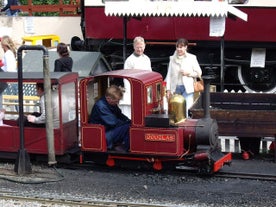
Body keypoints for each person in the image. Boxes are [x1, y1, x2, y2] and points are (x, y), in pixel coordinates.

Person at [165, 38, 202, 118]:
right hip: (176, 88)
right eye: (177, 47)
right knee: (176, 110)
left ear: (185, 47)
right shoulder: (172, 59)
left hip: (187, 88)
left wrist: (188, 73)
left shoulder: (192, 58)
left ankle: (185, 127)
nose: (179, 49)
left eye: (181, 47)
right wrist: (168, 90)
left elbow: (199, 73)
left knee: (186, 109)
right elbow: (169, 75)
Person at [89, 85, 131, 152]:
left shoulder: (111, 104)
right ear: (108, 98)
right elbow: (113, 122)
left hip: (108, 130)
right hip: (101, 135)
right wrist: (128, 123)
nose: (118, 103)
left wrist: (129, 120)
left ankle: (124, 145)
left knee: (129, 124)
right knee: (128, 127)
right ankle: (124, 147)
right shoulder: (101, 106)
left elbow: (120, 115)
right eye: (116, 101)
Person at [121, 36, 152, 118]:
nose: (139, 49)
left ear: (144, 46)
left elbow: (150, 74)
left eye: (141, 47)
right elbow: (125, 77)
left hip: (145, 88)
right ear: (134, 47)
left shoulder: (147, 59)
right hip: (134, 88)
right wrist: (129, 91)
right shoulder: (129, 60)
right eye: (137, 47)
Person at [0, 35, 17, 109]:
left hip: (7, 79)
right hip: (7, 79)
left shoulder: (8, 54)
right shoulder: (9, 53)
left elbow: (10, 69)